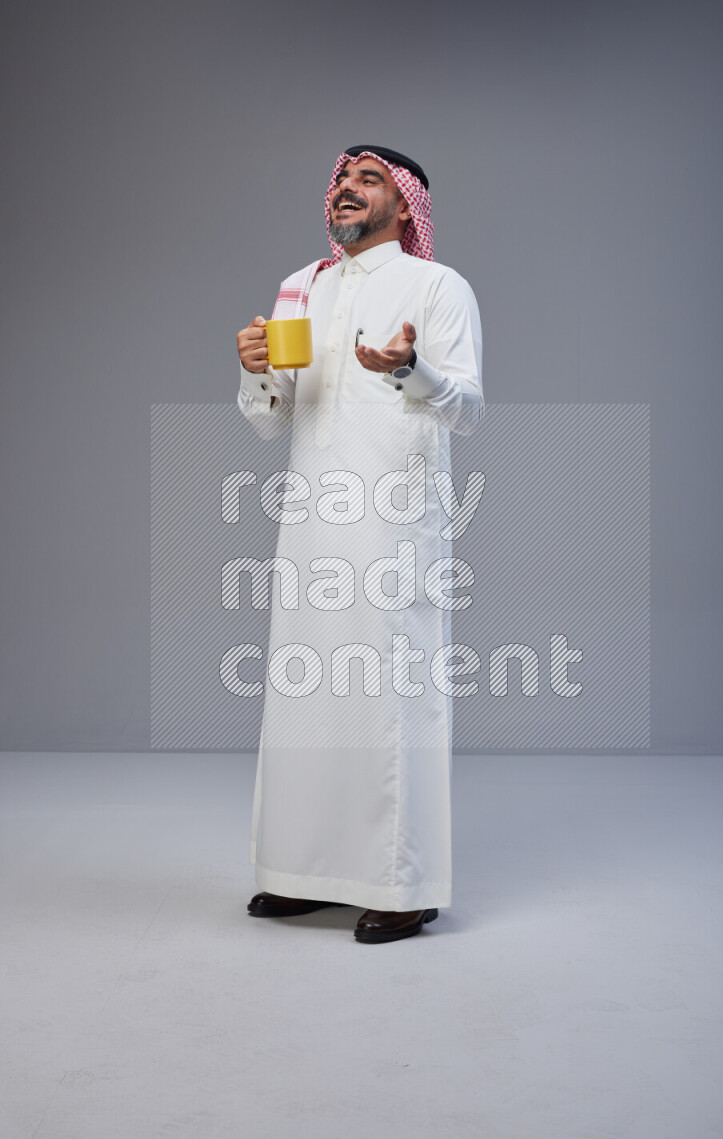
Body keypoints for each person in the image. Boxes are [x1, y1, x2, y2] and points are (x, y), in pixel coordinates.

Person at [236, 146, 484, 943]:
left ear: (406, 206)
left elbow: (468, 409)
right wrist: (253, 373)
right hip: (310, 521)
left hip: (394, 522)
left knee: (388, 701)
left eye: (368, 178)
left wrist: (411, 368)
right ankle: (300, 872)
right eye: (343, 178)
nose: (346, 188)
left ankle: (401, 885)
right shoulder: (302, 286)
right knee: (305, 698)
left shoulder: (437, 287)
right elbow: (272, 419)